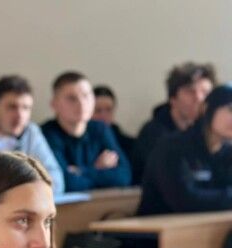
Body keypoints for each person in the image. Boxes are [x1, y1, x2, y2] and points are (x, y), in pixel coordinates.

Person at [138, 84, 232, 217]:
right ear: (206, 109)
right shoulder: (172, 147)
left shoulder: (227, 152)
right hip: (158, 231)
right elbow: (185, 200)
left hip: (206, 228)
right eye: (230, 109)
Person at [41, 71, 131, 191]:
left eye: (86, 96)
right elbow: (66, 183)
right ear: (54, 104)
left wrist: (81, 170)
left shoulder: (100, 128)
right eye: (72, 99)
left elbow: (124, 176)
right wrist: (99, 170)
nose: (81, 104)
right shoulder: (47, 134)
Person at [133, 62, 216, 182]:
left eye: (205, 93)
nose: (199, 98)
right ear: (173, 99)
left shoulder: (214, 131)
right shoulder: (154, 133)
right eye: (190, 91)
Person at [92, 85, 136, 164]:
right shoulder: (79, 144)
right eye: (98, 110)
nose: (103, 115)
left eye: (108, 109)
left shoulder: (128, 145)